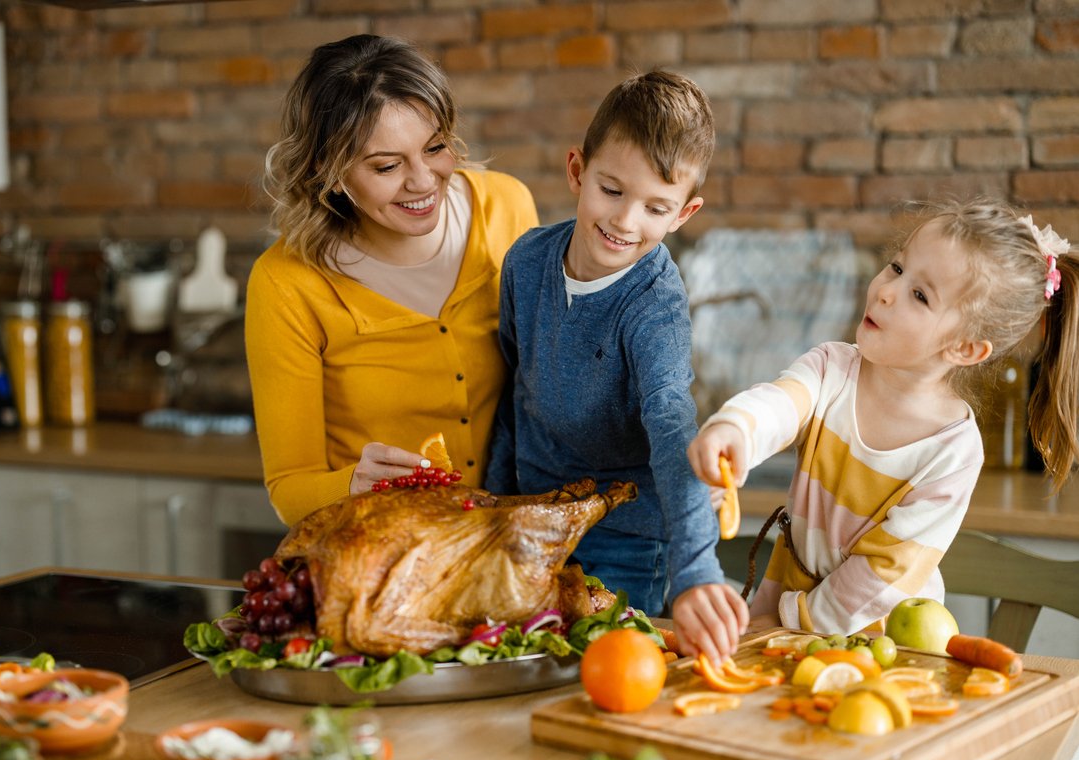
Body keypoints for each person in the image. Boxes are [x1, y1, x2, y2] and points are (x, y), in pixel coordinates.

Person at [687, 198, 1078, 636]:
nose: (886, 291)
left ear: (965, 349)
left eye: (919, 295)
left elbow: (881, 575)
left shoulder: (953, 452)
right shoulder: (831, 370)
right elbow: (779, 404)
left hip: (885, 648)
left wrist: (783, 620)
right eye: (896, 267)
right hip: (783, 622)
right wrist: (734, 429)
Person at [484, 70, 749, 664]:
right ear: (577, 171)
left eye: (656, 207)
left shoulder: (655, 305)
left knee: (613, 680)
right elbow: (510, 391)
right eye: (612, 190)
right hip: (536, 525)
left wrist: (697, 568)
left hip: (631, 539)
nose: (627, 221)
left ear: (685, 214)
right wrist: (493, 509)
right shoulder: (525, 263)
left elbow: (671, 423)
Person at [245, 34, 539, 526]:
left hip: (503, 544)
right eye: (386, 165)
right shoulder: (285, 283)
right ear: (331, 173)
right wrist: (354, 486)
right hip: (374, 550)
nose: (423, 181)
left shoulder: (507, 208)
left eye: (436, 147)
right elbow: (289, 488)